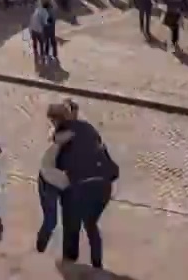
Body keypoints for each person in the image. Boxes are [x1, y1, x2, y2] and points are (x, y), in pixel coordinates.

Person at [55, 104, 118, 269]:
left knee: (71, 220)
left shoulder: (62, 134)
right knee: (90, 224)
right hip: (103, 186)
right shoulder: (88, 129)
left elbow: (60, 164)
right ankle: (97, 264)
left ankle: (70, 259)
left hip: (83, 187)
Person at [35, 102, 74, 254]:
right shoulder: (61, 136)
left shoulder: (65, 133)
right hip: (50, 182)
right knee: (51, 221)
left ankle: (68, 254)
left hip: (60, 182)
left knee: (69, 220)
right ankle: (39, 250)